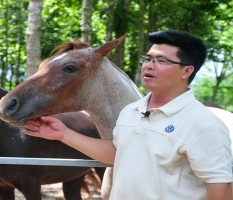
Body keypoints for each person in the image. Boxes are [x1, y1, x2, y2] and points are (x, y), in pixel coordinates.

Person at [24, 30, 233, 200]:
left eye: (162, 60)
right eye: (148, 58)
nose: (149, 65)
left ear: (186, 72)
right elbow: (119, 153)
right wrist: (63, 134)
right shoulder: (132, 111)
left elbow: (220, 191)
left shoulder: (205, 125)